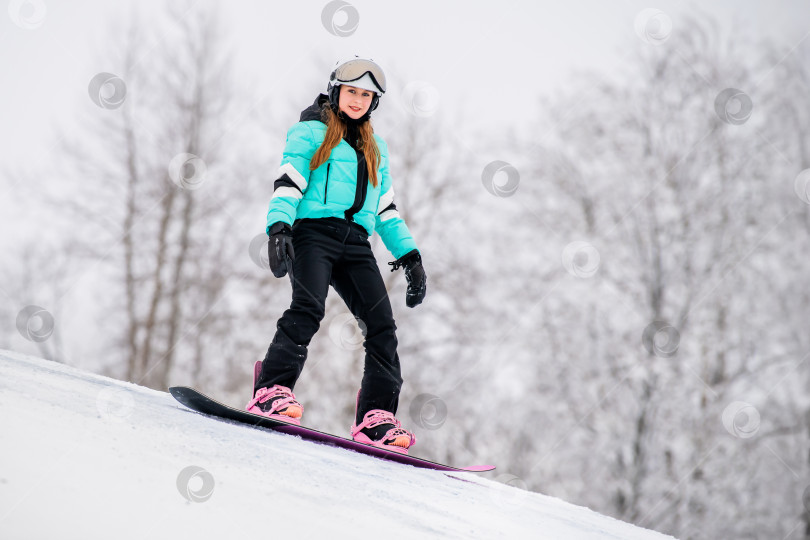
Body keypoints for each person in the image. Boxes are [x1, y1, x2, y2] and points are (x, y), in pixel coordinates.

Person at [245, 57, 427, 455]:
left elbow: (386, 209)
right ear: (336, 91)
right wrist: (278, 227)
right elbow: (289, 180)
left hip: (356, 244)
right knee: (308, 307)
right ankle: (272, 389)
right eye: (353, 92)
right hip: (312, 235)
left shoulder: (376, 148)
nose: (359, 100)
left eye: (367, 95)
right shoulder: (310, 132)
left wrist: (410, 254)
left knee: (382, 325)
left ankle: (376, 418)